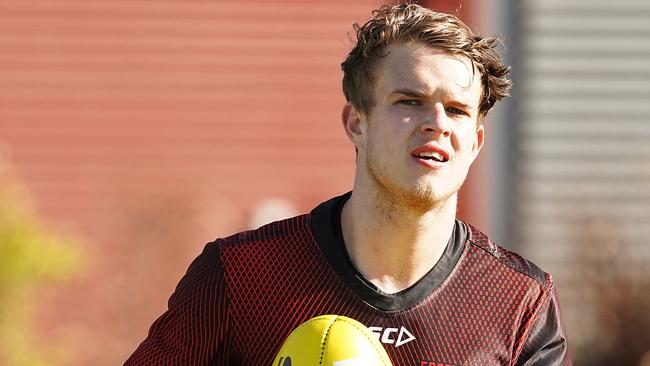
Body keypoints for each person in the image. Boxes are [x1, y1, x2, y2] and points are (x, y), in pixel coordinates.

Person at [125, 4, 570, 365]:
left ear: (475, 142)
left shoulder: (518, 303)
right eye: (409, 101)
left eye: (456, 110)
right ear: (357, 122)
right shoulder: (240, 277)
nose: (436, 124)